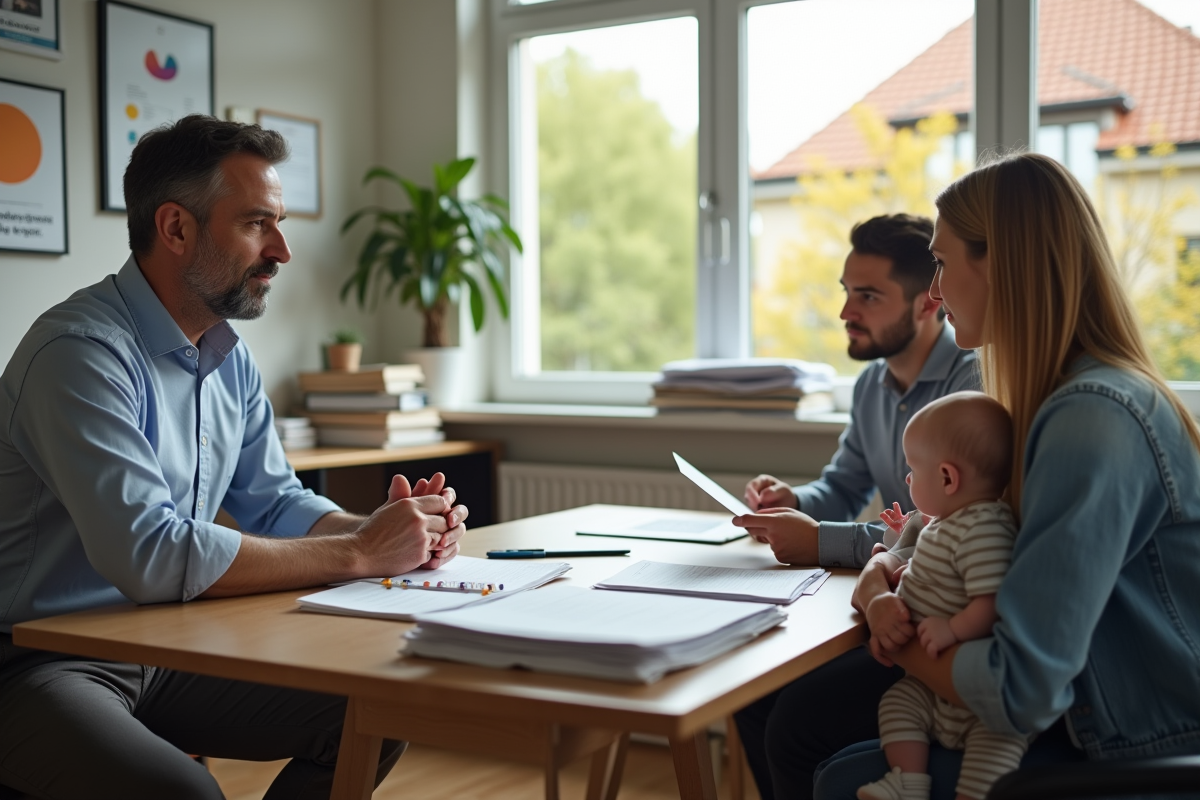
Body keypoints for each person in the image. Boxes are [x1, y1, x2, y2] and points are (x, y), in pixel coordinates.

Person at [0, 115, 468, 799]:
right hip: (35, 661)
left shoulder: (228, 358)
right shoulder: (79, 355)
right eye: (256, 224)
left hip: (162, 646)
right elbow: (150, 554)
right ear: (176, 229)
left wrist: (395, 530)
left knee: (370, 715)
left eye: (277, 224)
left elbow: (274, 503)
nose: (281, 249)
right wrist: (362, 552)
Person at [812, 152, 1200, 798]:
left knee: (832, 770)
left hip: (1140, 743)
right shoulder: (1060, 397)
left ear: (1001, 263)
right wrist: (885, 576)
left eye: (940, 263)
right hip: (1087, 706)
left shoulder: (1090, 419)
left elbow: (1018, 688)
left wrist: (889, 622)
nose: (932, 293)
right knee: (804, 716)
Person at [732, 214, 980, 799]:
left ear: (928, 302)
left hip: (936, 617)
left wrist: (819, 539)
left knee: (792, 714)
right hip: (884, 596)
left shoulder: (971, 382)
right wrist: (792, 502)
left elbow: (943, 530)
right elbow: (841, 487)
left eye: (868, 296)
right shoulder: (873, 384)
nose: (847, 312)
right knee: (753, 694)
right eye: (847, 292)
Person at [857, 392, 1022, 800]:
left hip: (978, 700)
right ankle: (907, 782)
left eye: (913, 469)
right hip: (931, 685)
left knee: (997, 748)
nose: (908, 479)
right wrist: (896, 574)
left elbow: (992, 599)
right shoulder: (944, 525)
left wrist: (952, 628)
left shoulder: (983, 528)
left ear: (948, 478)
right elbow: (927, 568)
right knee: (897, 703)